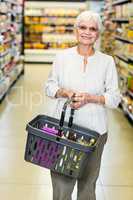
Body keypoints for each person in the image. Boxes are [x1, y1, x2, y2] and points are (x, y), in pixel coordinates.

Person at [45, 10, 121, 200]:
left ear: (98, 33)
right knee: (61, 185)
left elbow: (114, 98)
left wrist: (91, 98)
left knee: (87, 187)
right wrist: (65, 92)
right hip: (64, 132)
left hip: (95, 132)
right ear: (75, 30)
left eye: (92, 29)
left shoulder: (107, 62)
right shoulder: (62, 57)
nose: (87, 32)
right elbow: (49, 87)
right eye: (83, 27)